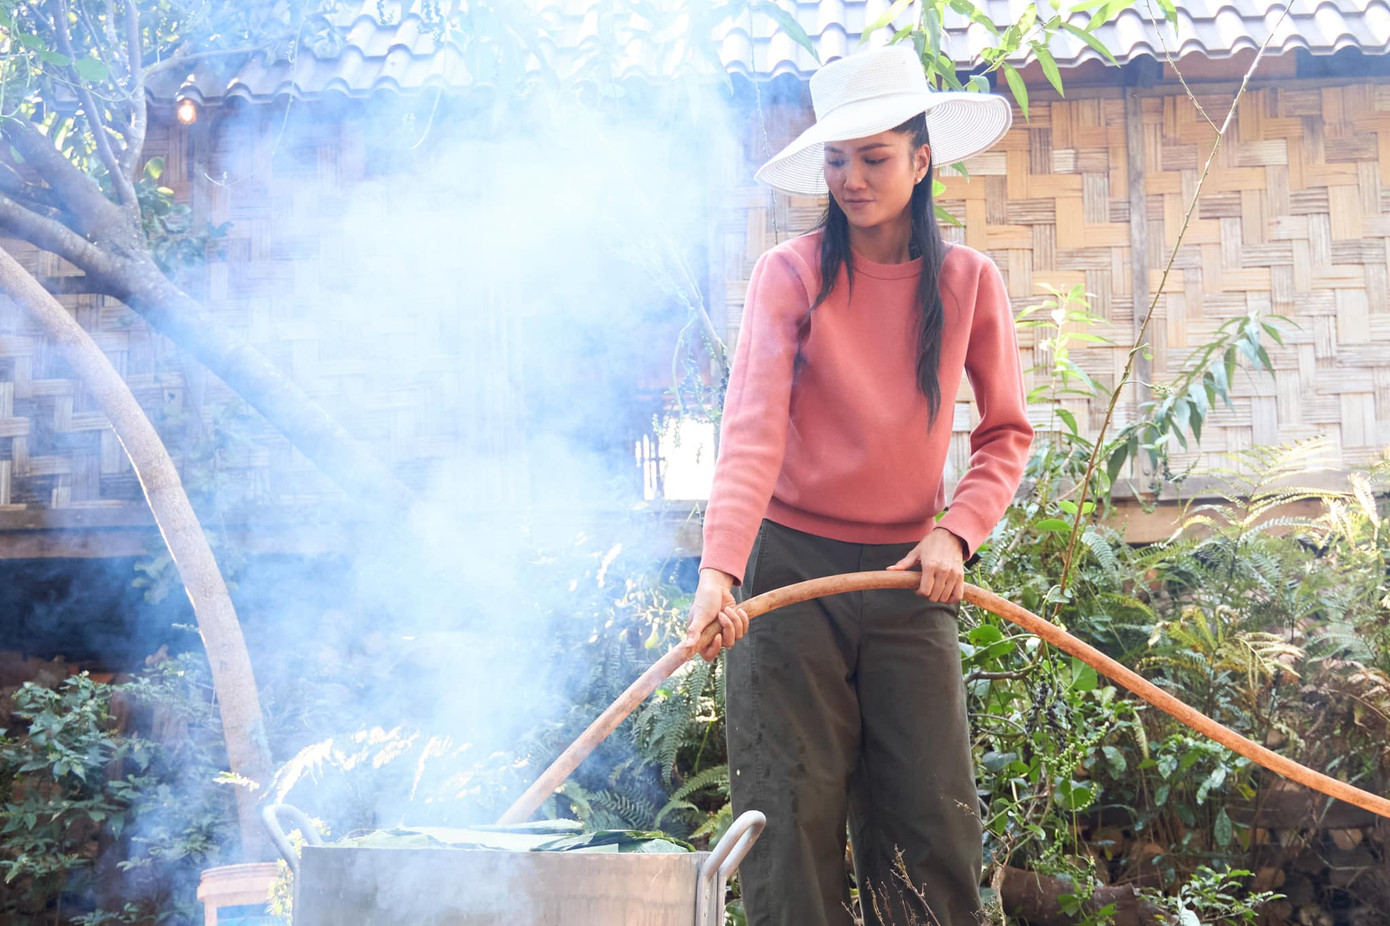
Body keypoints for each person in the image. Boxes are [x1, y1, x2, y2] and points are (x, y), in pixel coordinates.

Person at [683, 45, 1034, 926]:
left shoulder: (968, 282)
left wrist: (956, 533)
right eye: (836, 160)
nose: (852, 178)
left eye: (875, 158)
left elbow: (1004, 434)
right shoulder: (790, 276)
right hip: (790, 573)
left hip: (912, 575)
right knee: (788, 815)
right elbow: (753, 431)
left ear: (922, 162)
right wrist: (720, 573)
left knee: (931, 816)